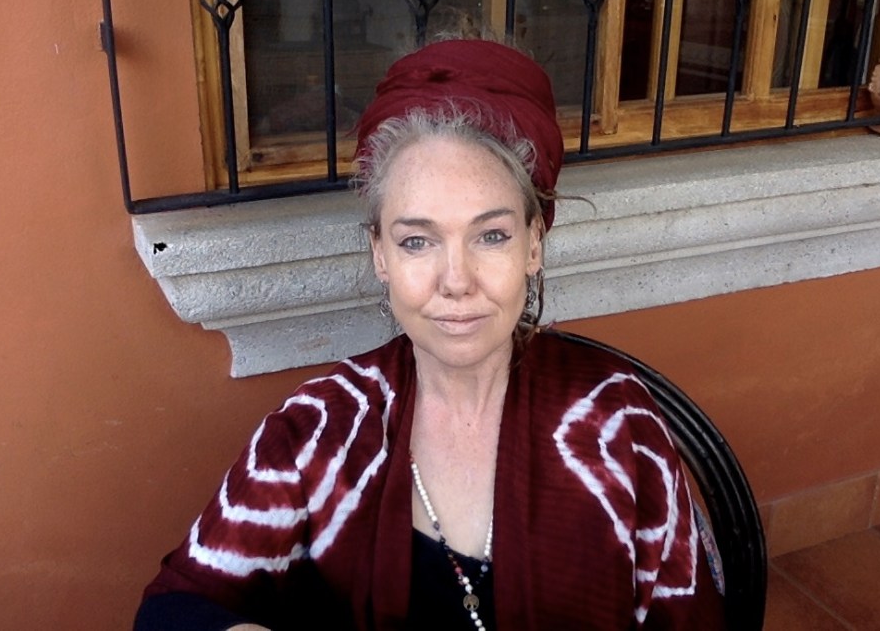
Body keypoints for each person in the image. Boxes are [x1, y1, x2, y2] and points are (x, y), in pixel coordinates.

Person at [134, 38, 725, 630]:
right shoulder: (321, 428)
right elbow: (176, 605)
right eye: (417, 241)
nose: (456, 281)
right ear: (381, 255)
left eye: (491, 236)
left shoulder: (618, 421)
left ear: (533, 244)